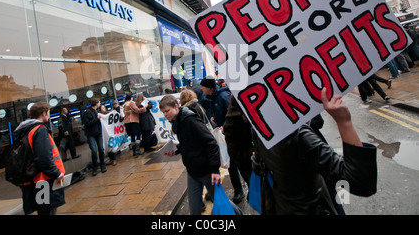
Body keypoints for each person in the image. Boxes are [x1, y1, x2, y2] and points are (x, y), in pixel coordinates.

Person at [249, 88, 377, 215]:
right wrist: (344, 122)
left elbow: (258, 165)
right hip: (312, 208)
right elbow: (360, 182)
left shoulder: (258, 125)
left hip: (283, 206)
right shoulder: (297, 135)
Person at [160, 94, 222, 215]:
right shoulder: (177, 121)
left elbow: (211, 143)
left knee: (221, 203)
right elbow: (189, 144)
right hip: (192, 171)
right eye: (163, 112)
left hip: (207, 171)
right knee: (194, 208)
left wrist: (214, 170)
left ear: (176, 106)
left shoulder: (190, 120)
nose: (165, 115)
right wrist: (176, 150)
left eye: (167, 111)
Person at [200, 76, 247, 204]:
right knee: (232, 164)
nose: (201, 89)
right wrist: (216, 118)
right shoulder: (213, 97)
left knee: (236, 163)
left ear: (209, 88)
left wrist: (224, 125)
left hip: (233, 136)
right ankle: (240, 190)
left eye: (203, 87)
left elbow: (233, 113)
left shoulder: (222, 96)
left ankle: (241, 190)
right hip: (226, 134)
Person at [14, 102, 65, 215]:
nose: (49, 115)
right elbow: (43, 158)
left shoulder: (26, 130)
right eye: (48, 113)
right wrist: (56, 173)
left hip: (34, 180)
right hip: (44, 180)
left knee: (43, 211)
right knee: (48, 211)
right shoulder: (39, 130)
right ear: (43, 113)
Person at [83, 98, 106, 176]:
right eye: (99, 102)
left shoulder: (96, 111)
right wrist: (97, 119)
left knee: (101, 149)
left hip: (98, 133)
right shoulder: (88, 112)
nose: (100, 104)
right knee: (94, 150)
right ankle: (95, 167)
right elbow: (87, 123)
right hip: (91, 134)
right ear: (96, 103)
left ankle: (102, 165)